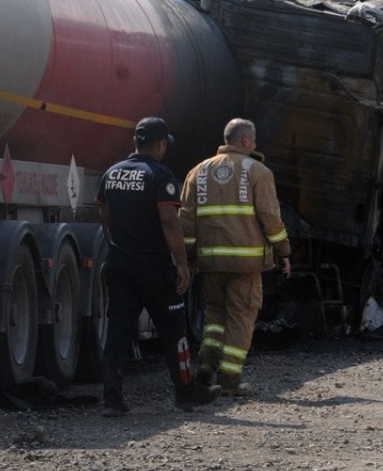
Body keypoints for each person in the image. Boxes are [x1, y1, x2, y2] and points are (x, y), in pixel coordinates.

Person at [95, 116, 220, 417]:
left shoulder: (111, 173)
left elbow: (105, 215)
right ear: (161, 144)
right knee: (174, 331)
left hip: (120, 264)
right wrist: (181, 263)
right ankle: (186, 394)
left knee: (118, 333)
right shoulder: (159, 175)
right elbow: (169, 221)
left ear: (134, 142)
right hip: (153, 267)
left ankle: (112, 400)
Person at [180, 118, 291, 397]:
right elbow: (270, 219)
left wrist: (190, 257)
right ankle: (230, 379)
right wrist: (284, 252)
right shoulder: (258, 171)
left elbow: (187, 222)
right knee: (241, 317)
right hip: (246, 263)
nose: (255, 144)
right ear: (245, 141)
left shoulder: (197, 173)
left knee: (215, 315)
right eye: (253, 140)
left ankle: (205, 369)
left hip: (210, 262)